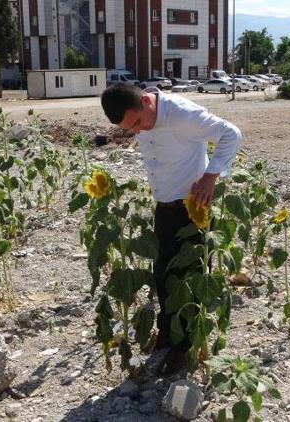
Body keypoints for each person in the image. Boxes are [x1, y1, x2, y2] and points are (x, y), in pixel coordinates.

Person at [100, 83, 242, 374]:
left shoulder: (180, 114)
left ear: (146, 102)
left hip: (191, 209)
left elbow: (230, 134)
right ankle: (168, 333)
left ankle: (185, 348)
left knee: (188, 279)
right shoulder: (142, 118)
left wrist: (211, 176)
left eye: (138, 123)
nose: (138, 132)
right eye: (131, 129)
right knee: (163, 273)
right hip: (164, 208)